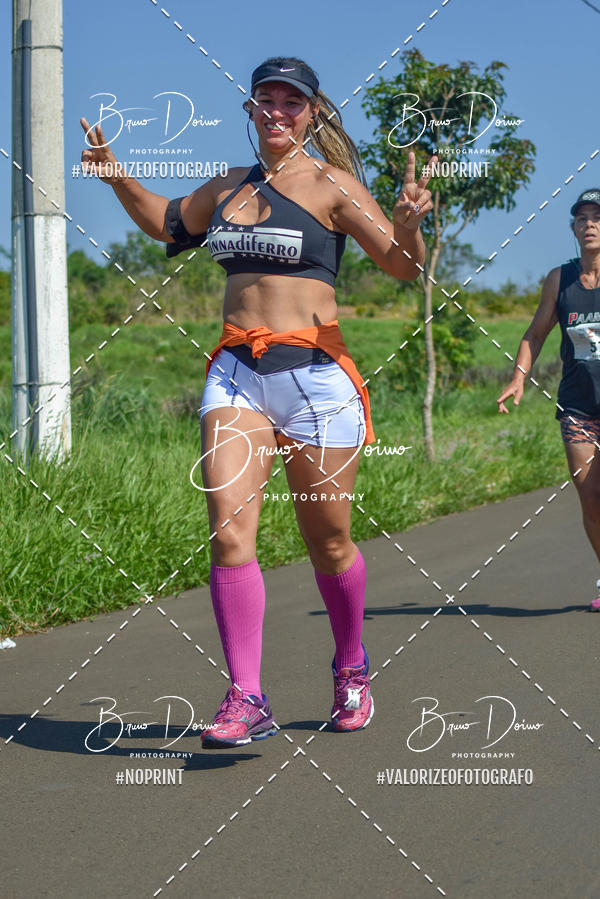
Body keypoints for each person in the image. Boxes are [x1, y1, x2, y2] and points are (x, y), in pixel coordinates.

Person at [80, 56, 435, 748]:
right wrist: (114, 172)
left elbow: (403, 266)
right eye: (264, 100)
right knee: (228, 528)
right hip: (237, 373)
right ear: (251, 111)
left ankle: (352, 666)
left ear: (312, 112)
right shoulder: (230, 187)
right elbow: (167, 223)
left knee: (327, 540)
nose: (276, 111)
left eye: (290, 102)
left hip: (316, 379)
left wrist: (409, 224)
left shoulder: (334, 186)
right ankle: (247, 694)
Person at [497, 188, 600, 611]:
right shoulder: (561, 280)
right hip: (577, 407)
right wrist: (519, 378)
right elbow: (534, 335)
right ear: (574, 229)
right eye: (582, 219)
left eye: (597, 217)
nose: (590, 224)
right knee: (591, 497)